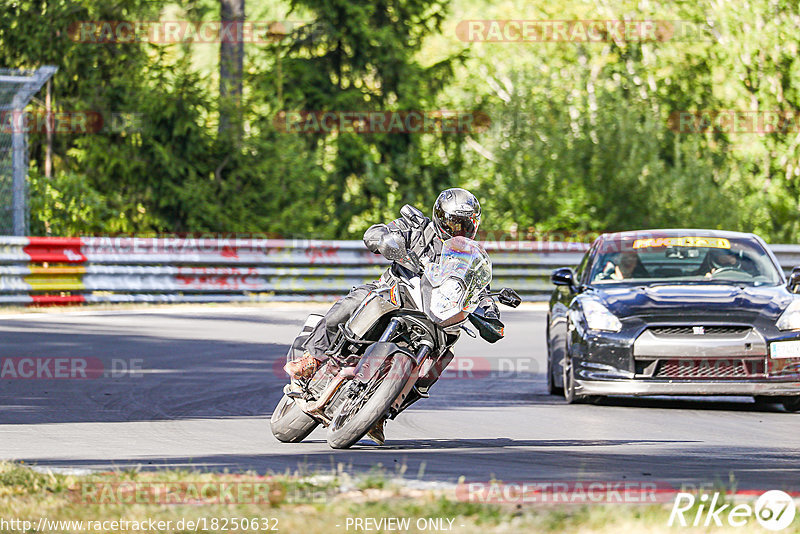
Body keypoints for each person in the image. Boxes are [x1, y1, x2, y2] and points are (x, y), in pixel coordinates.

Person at [283, 188, 499, 444]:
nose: (458, 228)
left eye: (465, 224)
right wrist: (384, 240)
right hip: (396, 290)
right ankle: (313, 358)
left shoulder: (468, 257)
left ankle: (383, 411)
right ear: (439, 216)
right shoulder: (417, 228)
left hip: (435, 315)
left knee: (442, 356)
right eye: (453, 221)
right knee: (351, 303)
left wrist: (490, 311)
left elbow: (480, 290)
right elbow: (375, 232)